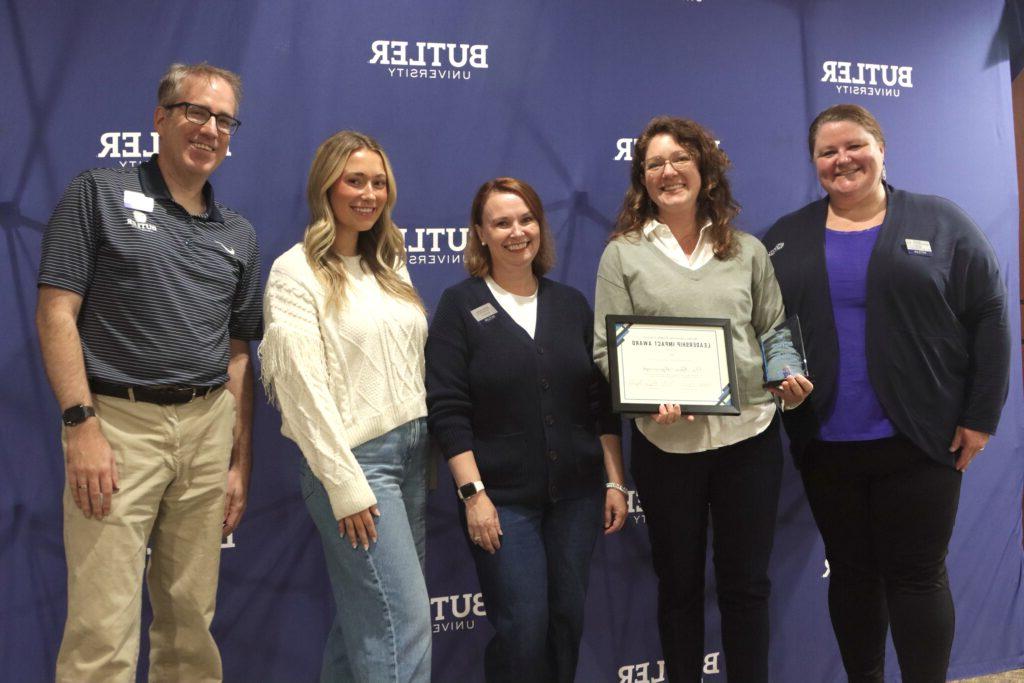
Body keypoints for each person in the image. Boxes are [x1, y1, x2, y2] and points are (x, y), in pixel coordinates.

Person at [764, 103, 1010, 682]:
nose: (842, 159)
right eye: (827, 152)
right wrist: (777, 374)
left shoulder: (942, 221)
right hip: (825, 443)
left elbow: (991, 316)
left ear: (881, 150)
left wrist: (981, 416)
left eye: (854, 146)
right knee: (851, 574)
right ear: (815, 164)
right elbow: (766, 325)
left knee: (918, 576)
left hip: (921, 441)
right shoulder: (786, 237)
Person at [36, 62, 261, 682]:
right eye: (196, 112)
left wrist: (240, 460)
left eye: (223, 119)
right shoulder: (98, 193)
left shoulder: (238, 234)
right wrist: (81, 424)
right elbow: (56, 312)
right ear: (160, 118)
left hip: (207, 426)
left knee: (191, 624)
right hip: (116, 427)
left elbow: (240, 352)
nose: (210, 129)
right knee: (102, 630)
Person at [592, 116, 812, 683]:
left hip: (749, 440)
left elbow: (774, 331)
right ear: (642, 180)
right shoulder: (623, 255)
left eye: (679, 159)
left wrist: (786, 375)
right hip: (667, 446)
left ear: (704, 167)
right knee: (679, 587)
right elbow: (604, 351)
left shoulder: (748, 251)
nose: (668, 172)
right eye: (654, 164)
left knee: (746, 586)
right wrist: (647, 398)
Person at [426, 177, 627, 683]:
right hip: (501, 501)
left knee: (566, 623)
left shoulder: (571, 305)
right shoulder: (459, 306)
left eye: (526, 219)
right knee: (522, 627)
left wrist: (614, 481)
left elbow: (599, 404)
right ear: (480, 233)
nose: (517, 232)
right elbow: (448, 409)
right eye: (501, 222)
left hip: (578, 498)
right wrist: (474, 495)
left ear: (540, 225)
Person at [260, 130, 431, 682]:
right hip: (357, 465)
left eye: (378, 182)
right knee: (401, 629)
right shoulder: (295, 272)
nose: (369, 193)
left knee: (366, 624)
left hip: (412, 456)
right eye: (355, 180)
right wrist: (345, 481)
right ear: (326, 187)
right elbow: (301, 391)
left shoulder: (390, 261)